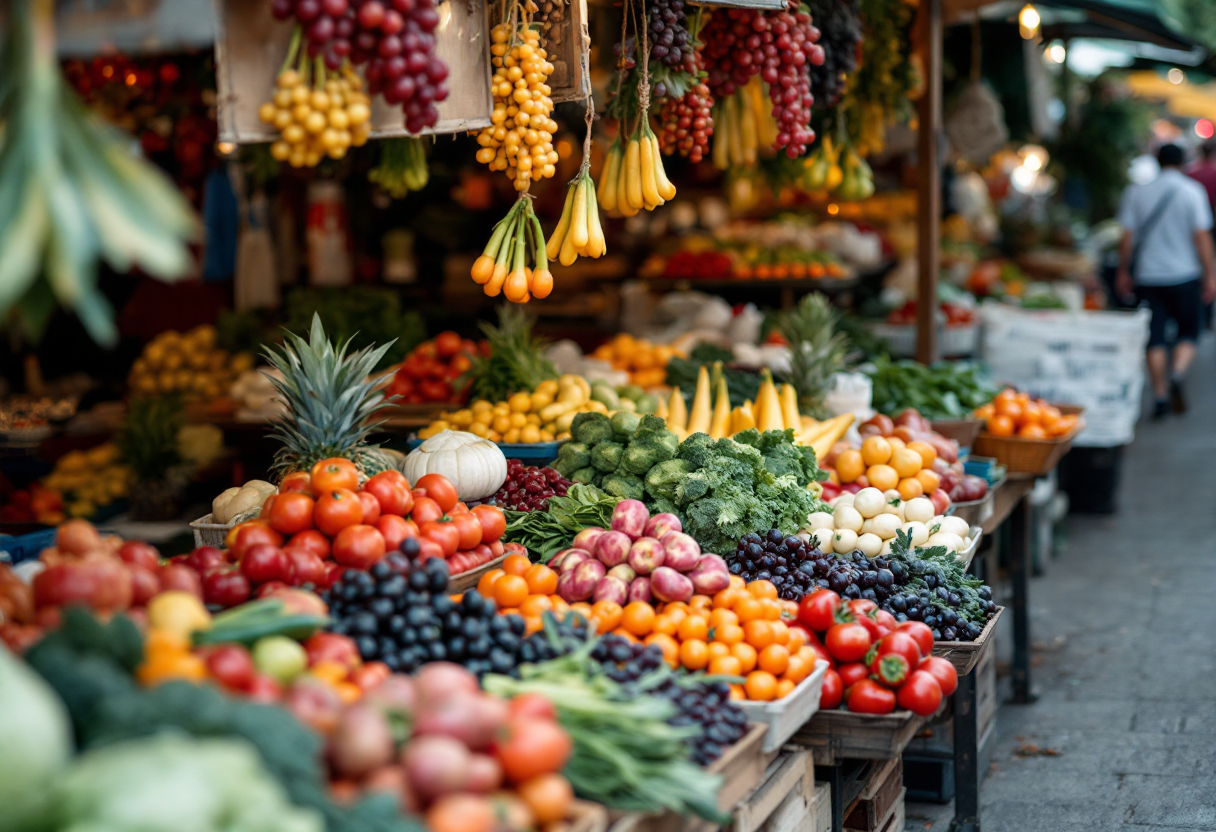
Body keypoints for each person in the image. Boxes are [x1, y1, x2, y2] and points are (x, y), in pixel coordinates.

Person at [1116, 143, 1216, 419]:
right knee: (1189, 331)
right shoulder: (1191, 191)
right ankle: (1178, 371)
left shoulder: (1137, 191)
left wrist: (1123, 270)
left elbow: (1127, 237)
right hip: (1184, 274)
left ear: (1157, 161)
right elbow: (1202, 238)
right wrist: (1210, 275)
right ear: (1183, 161)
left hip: (1148, 276)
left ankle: (1159, 394)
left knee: (1155, 337)